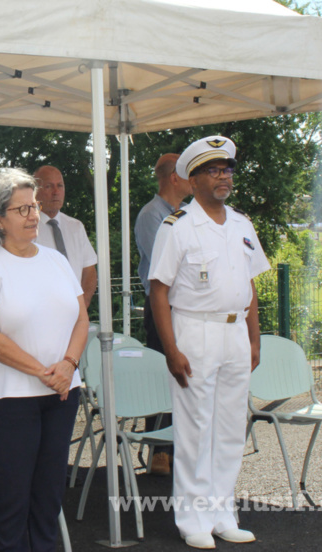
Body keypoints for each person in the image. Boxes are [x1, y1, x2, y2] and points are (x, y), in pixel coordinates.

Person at [149, 136, 270, 550]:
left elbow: (249, 286)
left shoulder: (240, 223)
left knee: (231, 428)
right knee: (196, 429)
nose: (224, 177)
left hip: (235, 332)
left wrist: (254, 341)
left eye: (227, 170)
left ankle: (222, 514)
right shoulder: (178, 226)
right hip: (194, 331)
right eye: (214, 171)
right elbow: (159, 291)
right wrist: (171, 349)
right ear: (192, 178)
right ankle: (193, 519)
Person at [0, 167, 89, 552]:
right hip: (9, 399)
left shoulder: (57, 261)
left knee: (49, 497)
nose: (34, 214)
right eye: (21, 209)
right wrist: (43, 373)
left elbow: (82, 319)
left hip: (63, 394)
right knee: (14, 499)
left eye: (33, 206)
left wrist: (67, 366)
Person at [133, 153, 191, 476]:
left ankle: (180, 449)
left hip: (185, 310)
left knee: (183, 377)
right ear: (174, 178)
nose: (193, 179)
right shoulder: (150, 216)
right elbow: (167, 268)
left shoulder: (189, 214)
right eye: (188, 173)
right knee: (161, 375)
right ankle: (158, 453)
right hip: (162, 309)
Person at [33, 165, 98, 307]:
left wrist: (83, 304)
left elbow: (89, 270)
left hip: (75, 313)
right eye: (49, 186)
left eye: (60, 186)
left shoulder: (75, 227)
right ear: (35, 191)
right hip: (39, 312)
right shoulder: (26, 227)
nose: (56, 192)